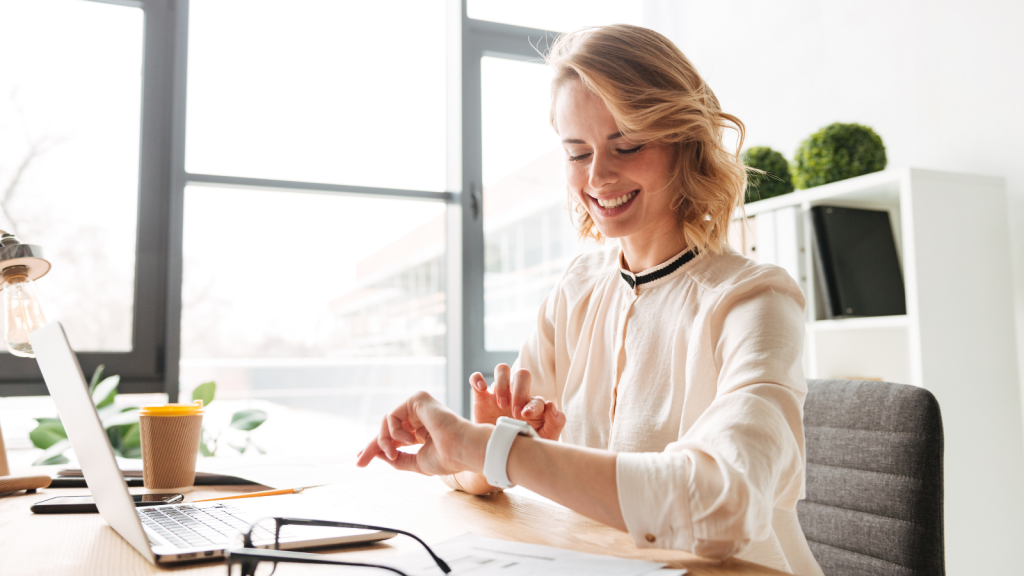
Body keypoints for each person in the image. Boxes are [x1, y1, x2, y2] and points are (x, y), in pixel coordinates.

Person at [356, 24, 823, 576]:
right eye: (577, 153)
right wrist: (476, 450)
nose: (598, 177)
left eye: (626, 145)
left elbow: (722, 502)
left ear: (684, 142)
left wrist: (495, 451)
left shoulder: (755, 300)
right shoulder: (578, 289)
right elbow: (495, 464)